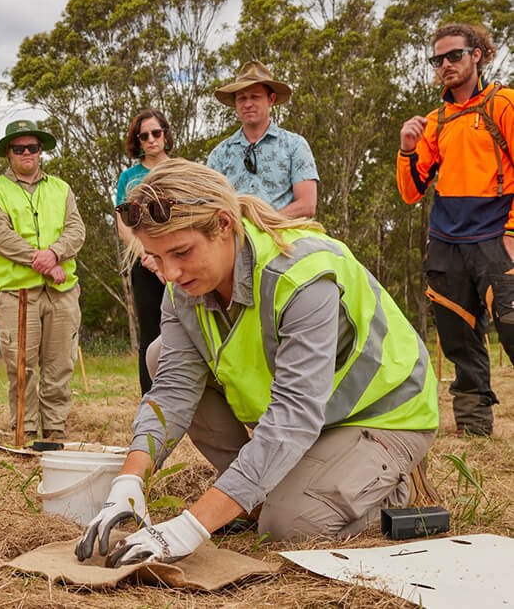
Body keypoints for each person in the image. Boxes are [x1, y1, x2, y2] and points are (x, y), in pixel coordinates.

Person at [77, 160, 438, 565]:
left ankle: (393, 485)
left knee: (291, 526)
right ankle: (257, 493)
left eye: (181, 252)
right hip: (310, 417)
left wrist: (191, 526)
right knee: (161, 356)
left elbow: (293, 416)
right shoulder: (183, 287)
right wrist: (130, 480)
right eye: (157, 257)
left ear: (223, 224)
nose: (171, 273)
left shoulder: (302, 276)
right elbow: (174, 389)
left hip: (380, 412)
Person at [398, 22, 514, 437]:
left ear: (477, 54)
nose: (445, 64)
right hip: (446, 244)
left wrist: (512, 232)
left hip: (497, 238)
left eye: (454, 55)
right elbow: (412, 192)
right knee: (458, 340)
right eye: (438, 59)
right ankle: (475, 429)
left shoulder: (504, 104)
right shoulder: (435, 121)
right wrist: (407, 149)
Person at [0, 120, 85, 440]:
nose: (27, 153)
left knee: (60, 363)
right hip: (14, 292)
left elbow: (76, 230)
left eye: (33, 148)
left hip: (61, 291)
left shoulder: (62, 189)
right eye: (19, 148)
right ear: (8, 153)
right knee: (21, 365)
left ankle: (54, 428)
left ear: (41, 152)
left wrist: (55, 253)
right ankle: (25, 427)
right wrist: (46, 264)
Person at [206, 60, 318, 217]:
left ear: (271, 99)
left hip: (284, 233)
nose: (248, 104)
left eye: (255, 97)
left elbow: (307, 205)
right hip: (235, 235)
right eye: (242, 98)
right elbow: (210, 205)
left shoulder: (294, 145)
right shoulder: (220, 154)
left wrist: (266, 223)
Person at [116, 109, 172, 395]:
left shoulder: (181, 169)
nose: (151, 139)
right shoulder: (129, 177)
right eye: (144, 135)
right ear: (137, 141)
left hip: (180, 265)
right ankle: (151, 405)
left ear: (165, 133)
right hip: (146, 265)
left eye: (156, 133)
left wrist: (169, 259)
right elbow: (125, 223)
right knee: (151, 336)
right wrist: (148, 258)